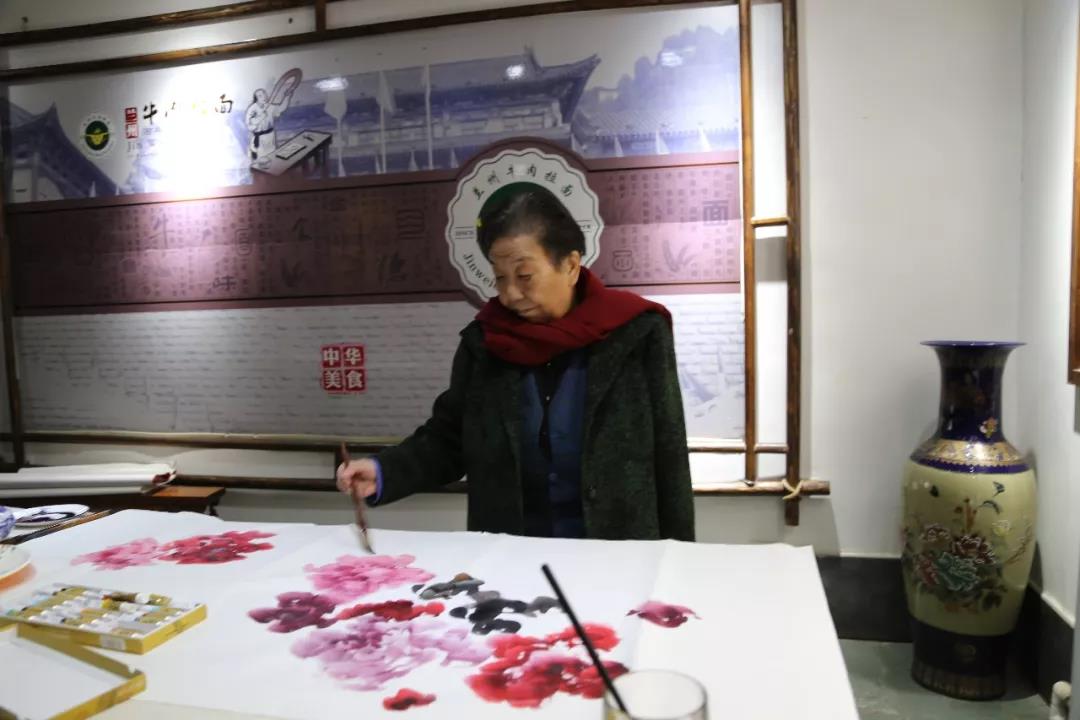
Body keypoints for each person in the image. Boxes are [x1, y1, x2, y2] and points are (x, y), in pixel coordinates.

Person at [336, 183, 694, 541]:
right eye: (500, 278)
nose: (510, 294)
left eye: (524, 277)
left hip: (618, 550)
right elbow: (449, 439)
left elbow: (670, 454)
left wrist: (679, 555)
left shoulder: (636, 333)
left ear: (570, 265)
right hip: (508, 551)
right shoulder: (485, 342)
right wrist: (384, 471)